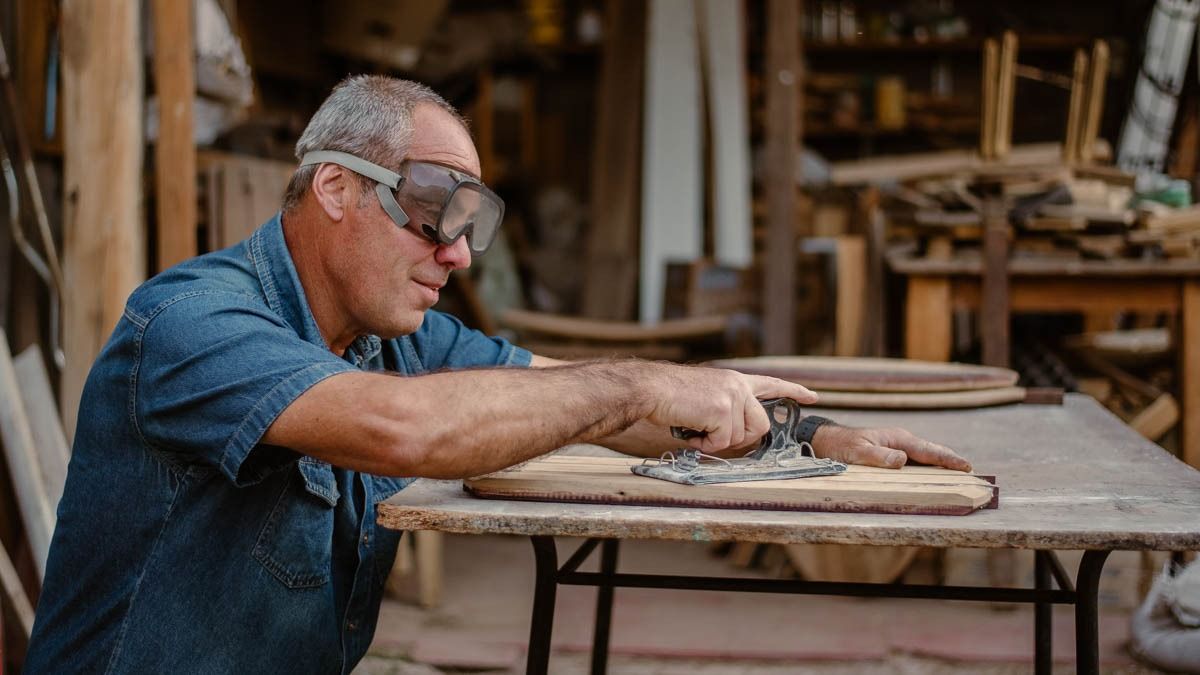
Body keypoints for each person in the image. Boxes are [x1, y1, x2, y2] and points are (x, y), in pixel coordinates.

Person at [25, 76, 970, 673]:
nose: (456, 253)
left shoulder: (391, 339)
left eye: (470, 225)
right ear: (335, 187)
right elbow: (403, 429)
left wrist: (804, 434)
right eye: (433, 210)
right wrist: (639, 384)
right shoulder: (191, 323)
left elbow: (584, 404)